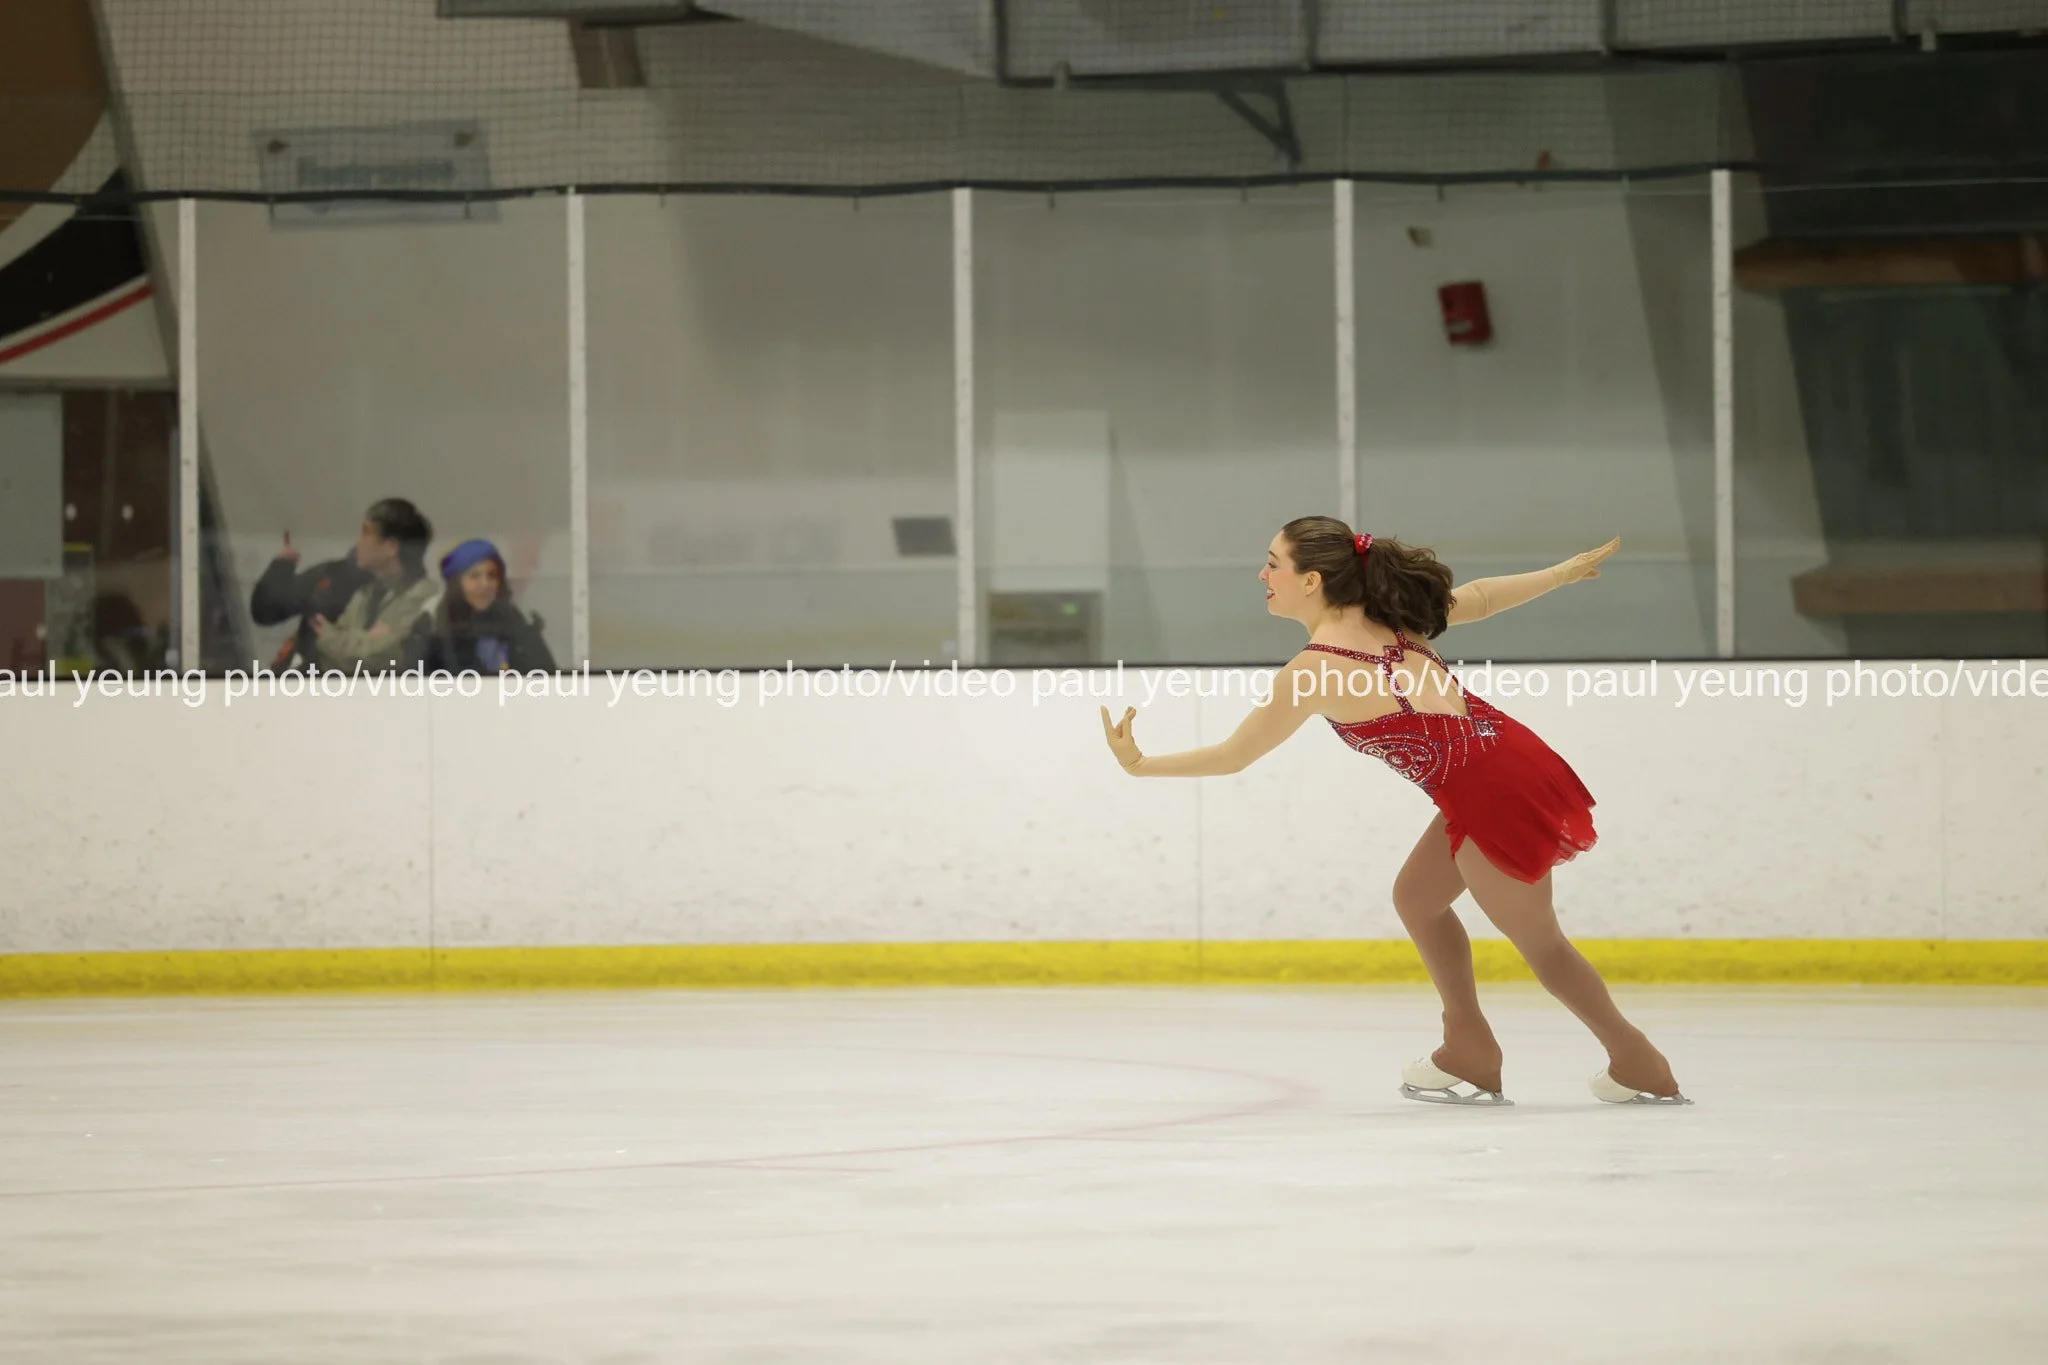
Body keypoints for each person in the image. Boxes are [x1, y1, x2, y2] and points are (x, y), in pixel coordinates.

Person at [1098, 516, 1688, 1107]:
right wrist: (1559, 574)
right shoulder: (1394, 618)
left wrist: (1141, 765)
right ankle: (1469, 1046)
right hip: (1502, 765)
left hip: (1493, 792)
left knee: (1541, 943)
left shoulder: (1313, 670)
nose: (1262, 575)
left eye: (1273, 564)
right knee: (1418, 898)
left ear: (1312, 581)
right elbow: (1480, 599)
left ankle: (1638, 1062)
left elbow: (1233, 756)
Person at [310, 498, 439, 673]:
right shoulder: (365, 594)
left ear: (391, 547)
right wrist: (365, 641)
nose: (358, 542)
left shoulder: (423, 596)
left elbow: (381, 658)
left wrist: (329, 638)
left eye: (366, 534)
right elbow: (331, 659)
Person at [403, 538, 555, 674]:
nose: (485, 584)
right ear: (457, 583)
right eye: (474, 576)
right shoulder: (433, 623)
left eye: (492, 575)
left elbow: (547, 678)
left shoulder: (515, 620)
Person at [248, 524, 371, 669]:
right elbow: (266, 610)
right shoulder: (331, 575)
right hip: (298, 675)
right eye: (364, 534)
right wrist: (281, 566)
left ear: (390, 547)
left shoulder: (390, 596)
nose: (361, 540)